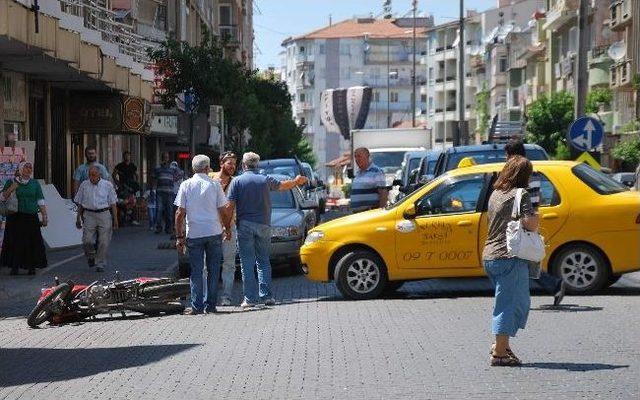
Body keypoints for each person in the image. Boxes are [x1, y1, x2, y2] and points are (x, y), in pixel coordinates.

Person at [227, 152, 307, 308]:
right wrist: (296, 181)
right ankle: (266, 296)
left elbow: (229, 206)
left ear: (243, 165)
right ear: (257, 164)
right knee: (263, 261)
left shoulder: (236, 181)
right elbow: (283, 186)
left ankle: (250, 299)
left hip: (244, 225)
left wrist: (226, 226)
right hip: (264, 224)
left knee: (246, 263)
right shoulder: (265, 179)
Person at [483, 155, 539, 367]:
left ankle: (503, 345)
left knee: (512, 301)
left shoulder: (496, 193)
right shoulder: (521, 194)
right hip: (510, 257)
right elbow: (529, 223)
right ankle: (499, 353)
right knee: (509, 305)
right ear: (524, 175)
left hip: (490, 256)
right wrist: (536, 218)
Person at [504, 139, 565, 306]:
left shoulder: (518, 174)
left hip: (522, 220)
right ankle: (552, 285)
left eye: (507, 156)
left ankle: (551, 285)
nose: (506, 159)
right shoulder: (534, 172)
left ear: (512, 155)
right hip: (532, 217)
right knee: (526, 257)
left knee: (519, 257)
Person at [174, 155, 231, 315]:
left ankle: (196, 307)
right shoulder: (215, 185)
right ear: (207, 168)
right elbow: (223, 210)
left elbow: (179, 213)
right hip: (214, 232)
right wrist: (227, 228)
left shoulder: (185, 185)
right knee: (213, 270)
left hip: (194, 233)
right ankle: (211, 306)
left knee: (196, 271)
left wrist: (179, 236)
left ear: (193, 169)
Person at [0, 162, 48, 275]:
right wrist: (11, 188)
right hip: (16, 217)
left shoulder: (35, 184)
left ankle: (31, 266)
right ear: (20, 169)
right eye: (26, 167)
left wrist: (44, 216)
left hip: (31, 217)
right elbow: (2, 197)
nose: (28, 169)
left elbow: (40, 200)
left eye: (30, 167)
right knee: (16, 242)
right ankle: (15, 266)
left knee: (32, 242)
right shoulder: (11, 182)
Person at [74, 166, 118, 272]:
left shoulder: (107, 185)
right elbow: (79, 202)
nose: (91, 177)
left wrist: (116, 220)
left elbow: (113, 203)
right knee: (86, 240)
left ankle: (100, 263)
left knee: (103, 241)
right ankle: (91, 256)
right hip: (89, 214)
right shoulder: (84, 185)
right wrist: (78, 218)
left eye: (94, 175)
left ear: (99, 175)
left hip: (104, 214)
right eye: (90, 175)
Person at [209, 151, 238, 306]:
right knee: (209, 264)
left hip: (230, 227)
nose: (232, 166)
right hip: (211, 227)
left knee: (229, 263)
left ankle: (226, 296)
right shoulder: (210, 179)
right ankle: (209, 296)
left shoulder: (236, 182)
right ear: (221, 164)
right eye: (229, 163)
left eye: (234, 163)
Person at [350, 147, 388, 212]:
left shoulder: (377, 172)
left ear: (367, 156)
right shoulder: (358, 173)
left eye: (359, 156)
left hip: (369, 213)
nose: (356, 159)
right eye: (355, 157)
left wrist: (381, 212)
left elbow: (383, 193)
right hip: (357, 214)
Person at [113, 151, 140, 226]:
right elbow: (114, 175)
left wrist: (135, 184)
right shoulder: (120, 166)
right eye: (125, 156)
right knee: (122, 202)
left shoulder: (132, 166)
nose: (127, 157)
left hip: (131, 187)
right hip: (122, 187)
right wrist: (118, 183)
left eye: (128, 156)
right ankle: (122, 219)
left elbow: (137, 175)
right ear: (123, 157)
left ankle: (133, 219)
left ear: (130, 157)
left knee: (133, 202)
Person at [152, 152, 175, 234]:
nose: (166, 159)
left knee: (169, 211)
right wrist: (153, 190)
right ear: (162, 158)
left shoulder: (172, 168)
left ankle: (168, 228)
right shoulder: (158, 168)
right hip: (160, 192)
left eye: (167, 157)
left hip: (169, 192)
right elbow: (154, 179)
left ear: (169, 159)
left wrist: (173, 180)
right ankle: (159, 227)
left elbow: (180, 174)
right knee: (159, 210)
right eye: (164, 157)